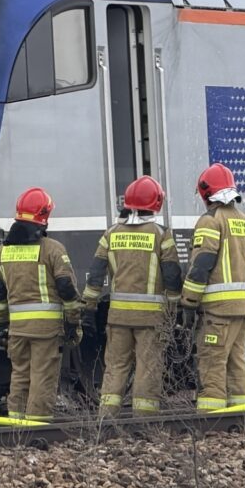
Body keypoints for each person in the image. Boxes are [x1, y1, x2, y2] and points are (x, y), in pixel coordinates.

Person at [82, 176, 182, 416]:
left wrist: (89, 306)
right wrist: (175, 306)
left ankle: (106, 418)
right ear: (156, 203)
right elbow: (172, 276)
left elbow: (95, 274)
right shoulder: (162, 235)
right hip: (151, 319)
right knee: (148, 368)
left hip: (118, 317)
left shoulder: (110, 234)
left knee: (115, 366)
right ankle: (145, 422)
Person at [0, 187, 82, 421]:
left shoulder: (1, 252)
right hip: (46, 330)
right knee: (43, 376)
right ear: (44, 216)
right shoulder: (53, 250)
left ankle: (16, 425)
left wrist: (1, 325)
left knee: (20, 375)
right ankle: (37, 426)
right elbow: (67, 291)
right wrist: (73, 324)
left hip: (17, 331)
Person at [180, 163, 245, 412]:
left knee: (212, 360)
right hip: (244, 307)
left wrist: (188, 302)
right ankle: (240, 415)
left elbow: (201, 264)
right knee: (237, 361)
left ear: (207, 194)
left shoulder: (210, 222)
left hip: (218, 309)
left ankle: (211, 416)